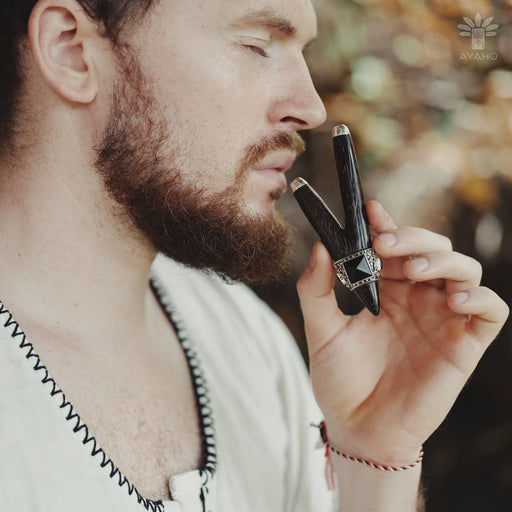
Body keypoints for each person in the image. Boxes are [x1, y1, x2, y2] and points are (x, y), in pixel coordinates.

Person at [0, 0, 508, 511]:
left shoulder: (248, 341)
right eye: (256, 45)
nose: (310, 108)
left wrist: (375, 459)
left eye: (302, 54)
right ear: (71, 51)